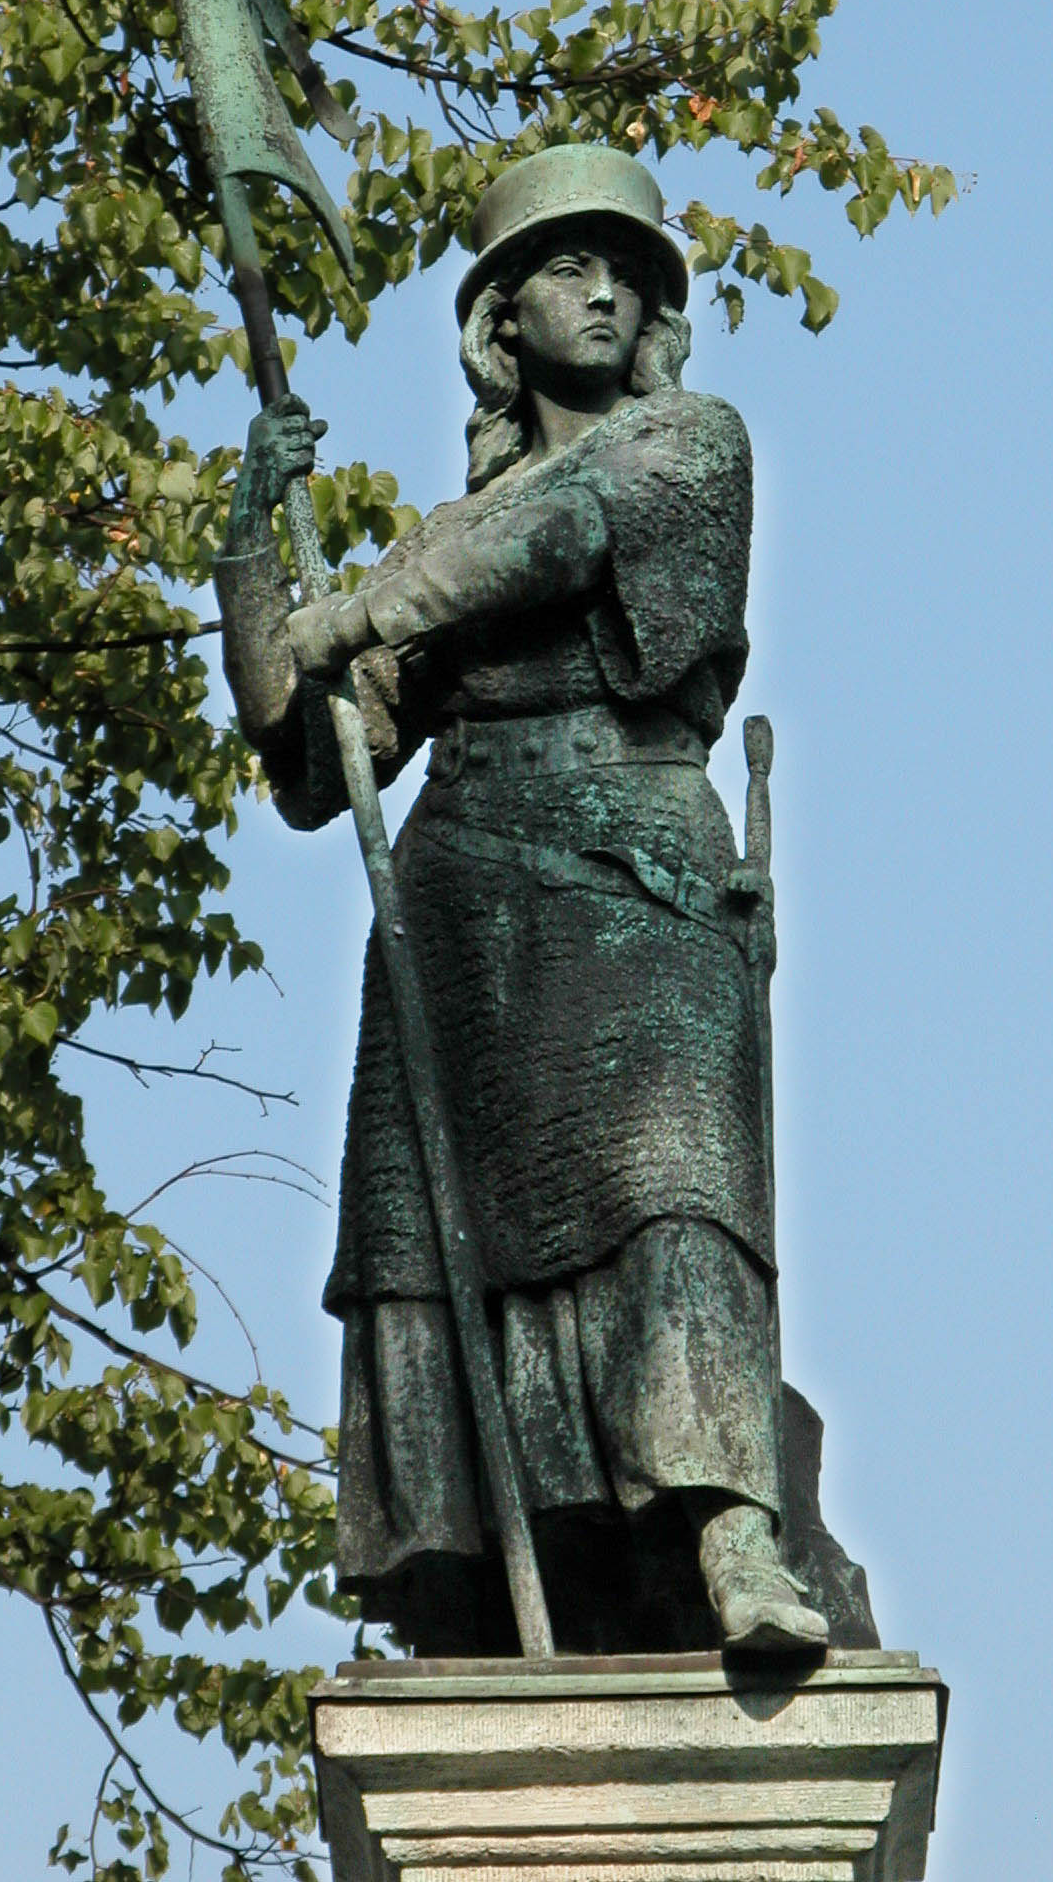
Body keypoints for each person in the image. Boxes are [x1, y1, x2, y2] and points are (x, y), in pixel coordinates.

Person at [213, 145, 829, 1655]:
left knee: (675, 1189)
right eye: (569, 267)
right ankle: (470, 1564)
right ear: (500, 322)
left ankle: (734, 1543)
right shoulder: (439, 545)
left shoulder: (691, 445)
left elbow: (554, 536)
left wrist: (342, 608)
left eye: (629, 270)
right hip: (469, 897)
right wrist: (250, 564)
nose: (607, 290)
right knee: (439, 1240)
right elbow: (317, 758)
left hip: (636, 856)